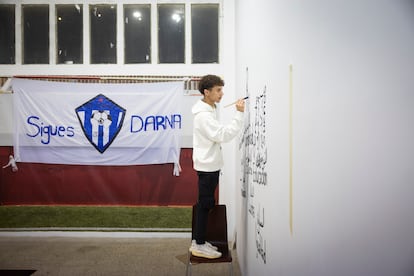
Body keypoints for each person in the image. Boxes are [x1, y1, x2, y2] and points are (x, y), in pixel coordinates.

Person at [189, 74, 245, 259]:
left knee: (206, 203)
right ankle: (198, 244)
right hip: (207, 166)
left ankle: (200, 241)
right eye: (218, 90)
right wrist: (239, 113)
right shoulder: (204, 116)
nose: (222, 93)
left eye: (222, 89)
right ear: (207, 92)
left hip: (209, 164)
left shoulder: (210, 109)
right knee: (205, 204)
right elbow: (223, 135)